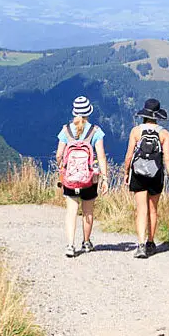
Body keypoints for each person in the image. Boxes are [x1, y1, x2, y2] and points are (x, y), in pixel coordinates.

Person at [123, 98, 169, 259]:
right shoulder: (164, 134)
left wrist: (126, 173)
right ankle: (151, 243)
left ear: (144, 114)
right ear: (157, 116)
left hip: (138, 174)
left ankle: (140, 245)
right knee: (153, 209)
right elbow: (167, 158)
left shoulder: (136, 131)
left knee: (141, 210)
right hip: (156, 174)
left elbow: (129, 155)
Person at [56, 96, 109, 258]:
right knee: (88, 211)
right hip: (90, 179)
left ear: (74, 112)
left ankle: (70, 246)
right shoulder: (96, 131)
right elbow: (101, 156)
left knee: (71, 211)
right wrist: (104, 177)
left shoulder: (66, 130)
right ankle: (86, 242)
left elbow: (59, 155)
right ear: (89, 112)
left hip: (70, 178)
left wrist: (63, 167)